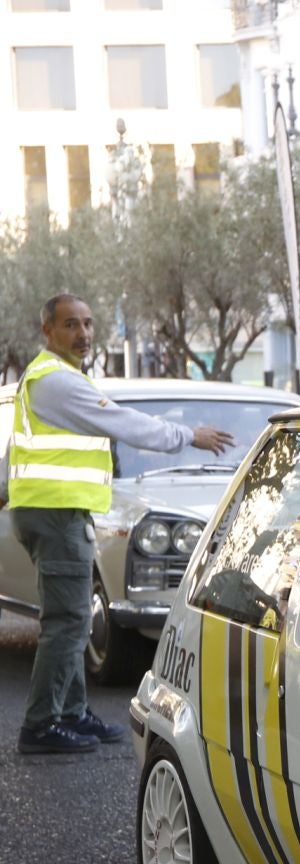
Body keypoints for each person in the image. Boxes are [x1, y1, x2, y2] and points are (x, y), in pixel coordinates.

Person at [4, 294, 233, 754]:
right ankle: (42, 725)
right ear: (47, 331)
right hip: (56, 513)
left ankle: (71, 714)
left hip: (55, 511)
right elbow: (124, 423)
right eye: (71, 325)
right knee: (69, 621)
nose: (83, 334)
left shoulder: (56, 378)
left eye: (88, 324)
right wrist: (188, 435)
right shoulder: (57, 382)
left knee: (69, 617)